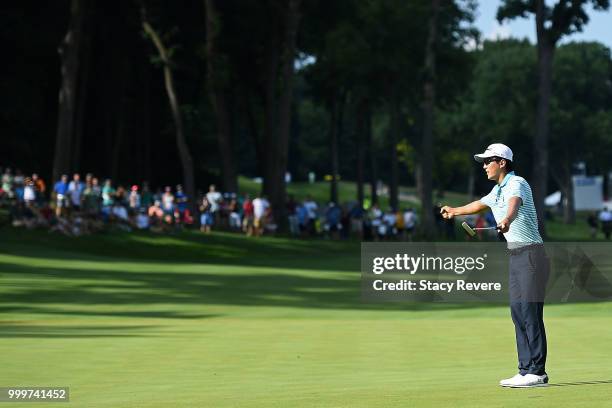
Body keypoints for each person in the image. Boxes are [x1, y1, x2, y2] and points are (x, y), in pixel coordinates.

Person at [440, 143, 549, 388]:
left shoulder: (516, 183)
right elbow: (479, 204)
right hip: (516, 256)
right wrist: (454, 211)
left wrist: (507, 220)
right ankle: (525, 370)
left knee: (530, 313)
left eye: (488, 161)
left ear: (502, 162)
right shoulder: (496, 190)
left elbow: (514, 204)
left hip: (532, 255)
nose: (485, 166)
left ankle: (538, 372)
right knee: (517, 312)